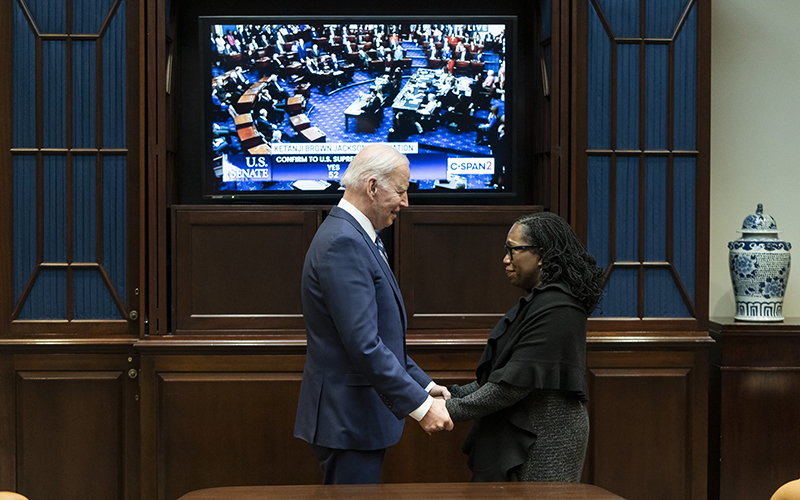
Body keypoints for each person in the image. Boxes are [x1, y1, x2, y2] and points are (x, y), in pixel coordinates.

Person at [294, 144, 454, 485]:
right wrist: (421, 407)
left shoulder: (353, 235)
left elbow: (380, 338)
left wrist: (423, 386)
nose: (406, 202)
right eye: (401, 191)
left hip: (355, 417)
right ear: (372, 187)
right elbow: (364, 344)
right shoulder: (344, 242)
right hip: (349, 419)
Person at [444, 212, 605, 482]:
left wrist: (447, 409)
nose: (505, 259)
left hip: (546, 439)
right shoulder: (540, 302)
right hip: (525, 429)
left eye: (513, 250)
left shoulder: (560, 308)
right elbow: (502, 375)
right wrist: (449, 395)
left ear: (541, 255)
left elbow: (511, 387)